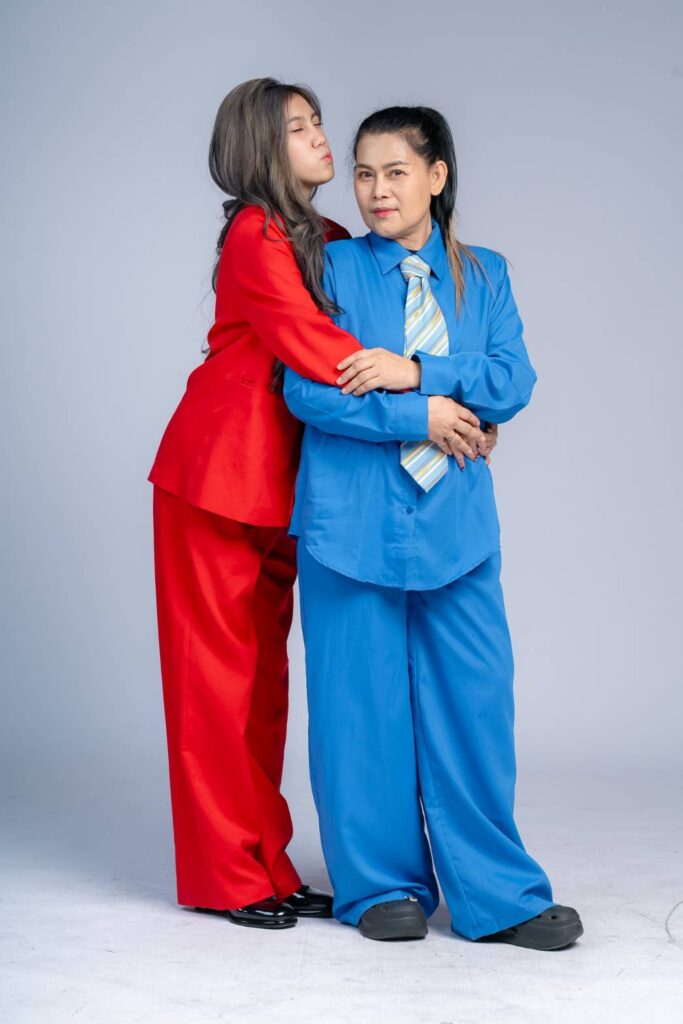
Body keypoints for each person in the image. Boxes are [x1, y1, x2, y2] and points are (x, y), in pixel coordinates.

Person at [148, 79, 456, 929]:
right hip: (214, 477)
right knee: (215, 687)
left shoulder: (325, 237)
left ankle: (266, 865)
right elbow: (318, 347)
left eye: (318, 122)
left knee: (263, 688)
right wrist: (428, 401)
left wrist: (449, 391)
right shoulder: (256, 232)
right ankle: (226, 876)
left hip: (284, 487)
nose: (321, 137)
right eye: (298, 127)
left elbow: (383, 324)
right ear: (259, 146)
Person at [283, 105, 583, 950]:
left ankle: (497, 895)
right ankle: (379, 886)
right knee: (359, 712)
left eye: (395, 172)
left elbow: (511, 381)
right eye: (363, 174)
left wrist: (417, 371)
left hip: (455, 526)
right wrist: (422, 415)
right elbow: (306, 391)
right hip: (350, 524)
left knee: (476, 708)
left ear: (436, 176)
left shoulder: (484, 275)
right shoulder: (330, 268)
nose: (376, 191)